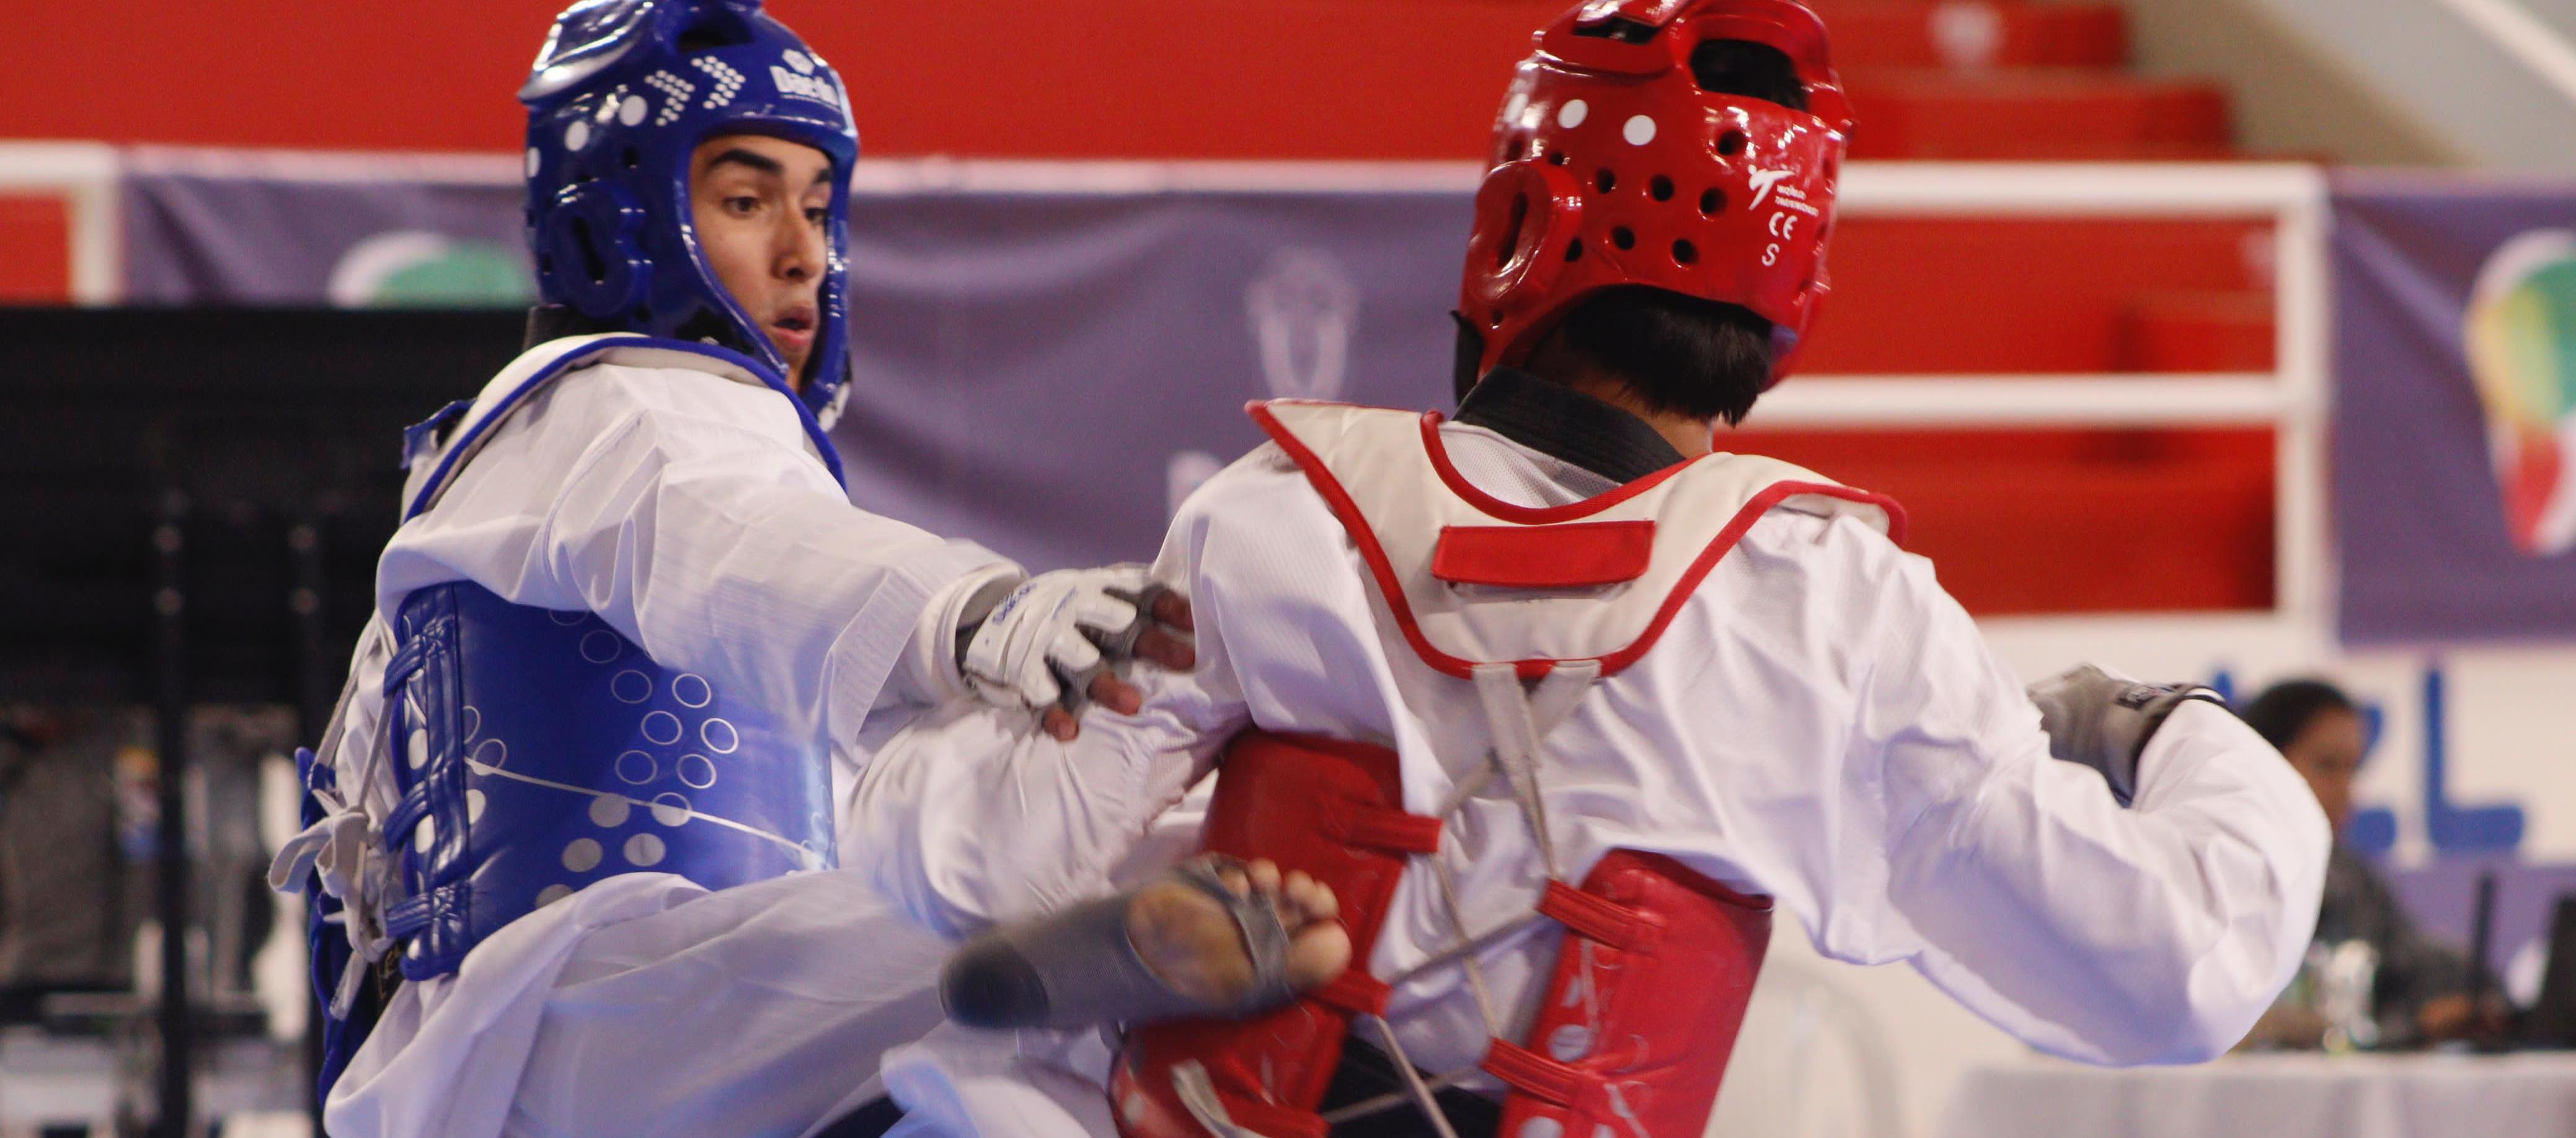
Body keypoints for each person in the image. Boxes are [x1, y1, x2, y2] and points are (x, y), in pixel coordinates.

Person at [846, 2, 2334, 1135]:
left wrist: (974, 675)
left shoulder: (1277, 514)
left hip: (1195, 1102)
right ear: (1781, 314)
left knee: (953, 952)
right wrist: (2160, 728)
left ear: (1512, 226)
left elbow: (973, 858)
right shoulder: (1830, 605)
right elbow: (2175, 971)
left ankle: (1203, 950)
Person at [263, 2, 1202, 1134]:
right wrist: (972, 614)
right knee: (1031, 923)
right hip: (555, 1034)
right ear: (617, 225)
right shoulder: (619, 405)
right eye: (747, 201)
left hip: (653, 1056)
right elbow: (727, 539)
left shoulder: (584, 439)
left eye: (817, 207)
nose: (804, 251)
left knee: (1012, 961)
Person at [2238, 678, 2505, 1048]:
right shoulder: (2215, 873)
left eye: (2354, 769)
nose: (2347, 791)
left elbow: (2415, 966)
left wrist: (2475, 1001)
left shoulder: (2348, 878)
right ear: (2263, 763)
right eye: (2328, 765)